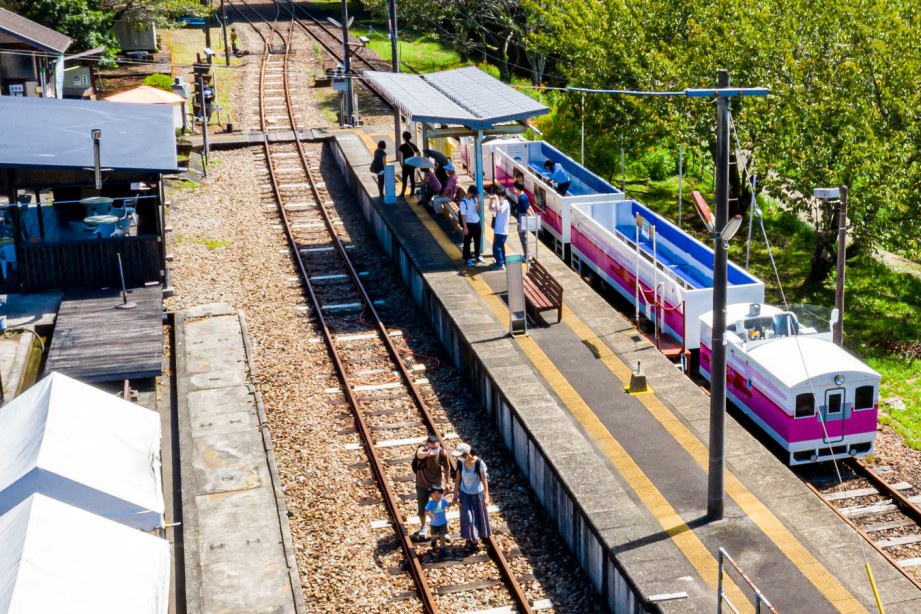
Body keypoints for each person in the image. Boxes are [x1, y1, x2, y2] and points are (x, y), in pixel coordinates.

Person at [451, 442, 491, 552]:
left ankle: (475, 540)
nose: (459, 457)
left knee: (477, 517)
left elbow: (484, 481)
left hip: (477, 494)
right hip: (464, 493)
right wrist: (455, 494)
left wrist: (486, 497)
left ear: (467, 454)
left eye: (461, 455)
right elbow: (458, 478)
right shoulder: (460, 462)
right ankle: (468, 540)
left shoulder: (479, 463)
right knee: (467, 517)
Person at [413, 434, 451, 541]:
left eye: (436, 448)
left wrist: (447, 482)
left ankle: (442, 530)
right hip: (422, 484)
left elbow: (446, 468)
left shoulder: (442, 453)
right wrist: (427, 453)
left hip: (436, 485)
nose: (434, 450)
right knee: (422, 507)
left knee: (439, 508)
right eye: (431, 448)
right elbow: (419, 455)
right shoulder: (422, 449)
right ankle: (423, 526)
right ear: (427, 445)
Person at [424, 486, 452, 558]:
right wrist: (429, 514)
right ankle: (434, 541)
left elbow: (449, 504)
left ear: (441, 494)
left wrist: (455, 502)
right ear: (431, 495)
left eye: (438, 494)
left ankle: (442, 548)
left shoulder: (443, 501)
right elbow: (426, 511)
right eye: (434, 494)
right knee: (433, 536)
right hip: (434, 524)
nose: (436, 495)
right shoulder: (430, 503)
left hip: (442, 523)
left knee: (442, 536)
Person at [488, 185, 511, 270]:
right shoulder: (500, 202)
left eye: (499, 195)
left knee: (497, 247)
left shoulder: (506, 204)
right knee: (500, 247)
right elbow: (491, 208)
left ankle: (500, 264)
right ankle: (503, 261)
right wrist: (491, 200)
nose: (498, 197)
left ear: (503, 195)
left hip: (502, 230)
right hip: (498, 229)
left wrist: (496, 199)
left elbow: (498, 209)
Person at [460, 185, 484, 266]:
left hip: (477, 222)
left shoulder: (474, 199)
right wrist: (465, 227)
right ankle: (467, 258)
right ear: (470, 192)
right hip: (469, 224)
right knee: (467, 242)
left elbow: (477, 209)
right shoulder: (463, 203)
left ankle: (477, 255)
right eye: (474, 194)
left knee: (477, 240)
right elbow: (463, 216)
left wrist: (478, 201)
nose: (475, 195)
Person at [510, 181, 532, 262]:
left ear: (517, 188)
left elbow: (527, 210)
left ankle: (527, 256)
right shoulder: (524, 195)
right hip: (522, 218)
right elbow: (529, 206)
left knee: (523, 237)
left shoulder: (522, 198)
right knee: (523, 237)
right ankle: (527, 254)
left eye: (514, 187)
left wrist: (532, 218)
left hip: (522, 219)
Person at [398, 131, 420, 198]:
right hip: (412, 165)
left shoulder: (402, 146)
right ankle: (412, 193)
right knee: (412, 179)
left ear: (403, 138)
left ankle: (402, 193)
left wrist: (401, 164)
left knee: (404, 179)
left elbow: (399, 156)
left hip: (405, 165)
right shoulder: (413, 145)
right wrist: (415, 160)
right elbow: (419, 153)